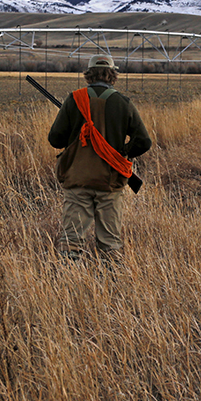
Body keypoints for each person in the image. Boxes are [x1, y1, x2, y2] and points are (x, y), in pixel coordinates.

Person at [48, 54, 152, 261]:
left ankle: (69, 284)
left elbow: (55, 139)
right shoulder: (123, 103)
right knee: (111, 245)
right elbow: (144, 141)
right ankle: (111, 283)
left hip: (78, 178)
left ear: (88, 74)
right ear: (112, 74)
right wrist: (122, 152)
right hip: (110, 180)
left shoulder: (74, 99)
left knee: (71, 242)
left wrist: (74, 133)